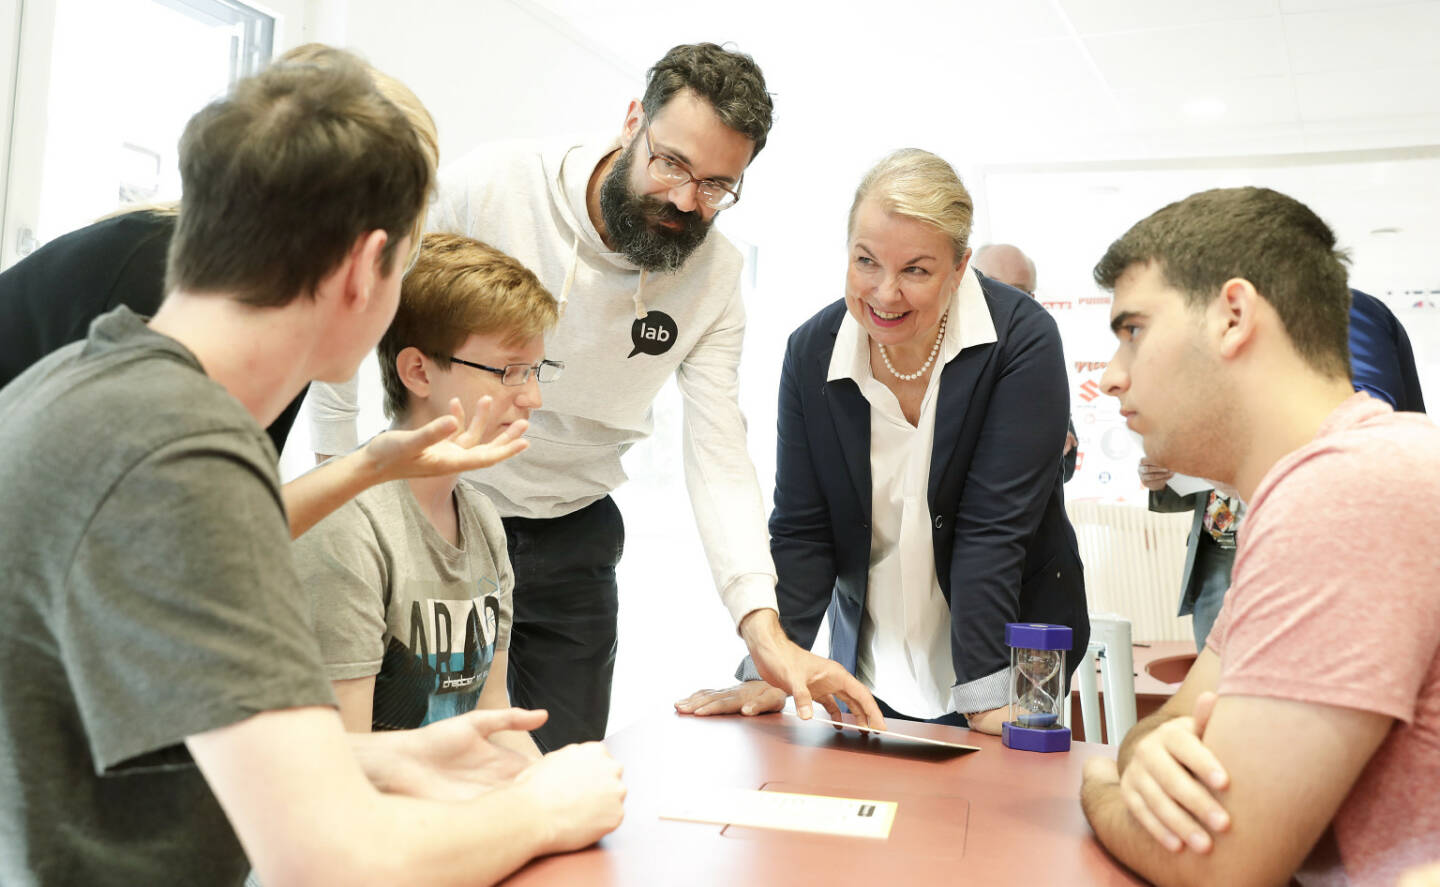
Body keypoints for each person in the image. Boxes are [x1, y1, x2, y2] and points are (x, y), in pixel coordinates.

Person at [0, 49, 623, 886]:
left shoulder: (76, 390)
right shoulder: (183, 457)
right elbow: (330, 862)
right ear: (368, 269)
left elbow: (133, 760)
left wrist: (384, 760)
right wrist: (546, 804)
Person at [309, 42, 882, 749]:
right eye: (670, 162)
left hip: (570, 531)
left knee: (562, 765)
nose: (682, 198)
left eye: (715, 185)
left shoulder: (716, 277)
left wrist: (760, 625)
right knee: (400, 743)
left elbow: (718, 452)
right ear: (633, 119)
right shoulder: (491, 187)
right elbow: (357, 310)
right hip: (432, 510)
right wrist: (337, 475)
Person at [1079, 186, 1440, 886]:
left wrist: (1102, 786)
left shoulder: (1351, 485)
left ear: (1233, 315)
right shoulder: (1314, 487)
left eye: (1133, 331)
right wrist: (1147, 757)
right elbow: (1170, 723)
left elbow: (1221, 863)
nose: (1115, 376)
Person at [0, 45, 496, 541]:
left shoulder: (271, 313)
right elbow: (175, 544)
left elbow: (222, 522)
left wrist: (371, 466)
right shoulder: (171, 293)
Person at [676, 149, 1088, 732]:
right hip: (873, 663)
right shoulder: (812, 352)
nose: (885, 293)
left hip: (1013, 650)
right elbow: (802, 528)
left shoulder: (1021, 340)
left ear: (960, 266)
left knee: (1000, 812)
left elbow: (994, 529)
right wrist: (770, 671)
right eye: (866, 261)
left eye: (916, 270)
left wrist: (987, 695)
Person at [295, 233, 555, 757]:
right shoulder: (347, 525)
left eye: (534, 371)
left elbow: (494, 719)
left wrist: (556, 783)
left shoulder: (481, 517)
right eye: (510, 371)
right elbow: (346, 765)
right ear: (418, 371)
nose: (532, 396)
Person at [973, 242, 1078, 481]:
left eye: (1018, 292)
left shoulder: (1041, 355)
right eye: (993, 286)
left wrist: (1055, 447)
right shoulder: (937, 345)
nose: (1006, 301)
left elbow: (1067, 465)